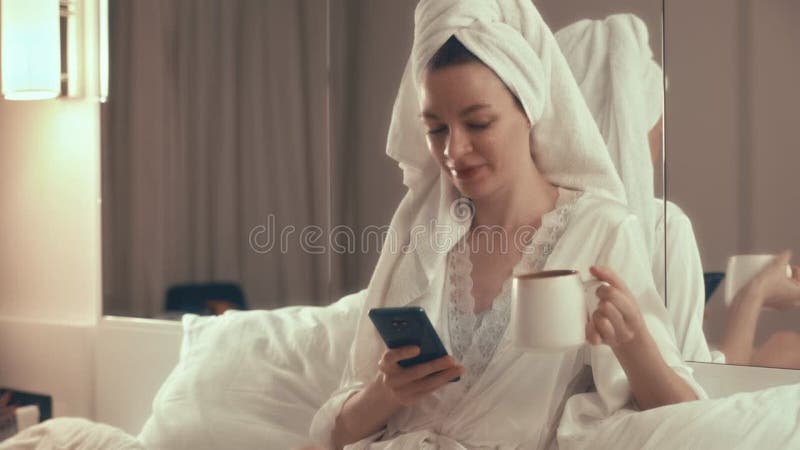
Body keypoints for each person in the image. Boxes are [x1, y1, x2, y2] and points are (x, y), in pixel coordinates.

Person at [310, 2, 703, 449]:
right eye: (436, 129)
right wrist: (385, 393)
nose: (455, 151)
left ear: (530, 110)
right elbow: (334, 433)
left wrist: (633, 346)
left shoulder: (600, 231)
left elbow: (684, 420)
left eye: (478, 123)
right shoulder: (419, 239)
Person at [554, 14, 800, 369]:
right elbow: (693, 386)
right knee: (787, 350)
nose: (662, 142)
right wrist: (753, 295)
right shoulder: (661, 227)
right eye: (657, 126)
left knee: (783, 345)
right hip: (661, 406)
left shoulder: (526, 219)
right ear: (631, 130)